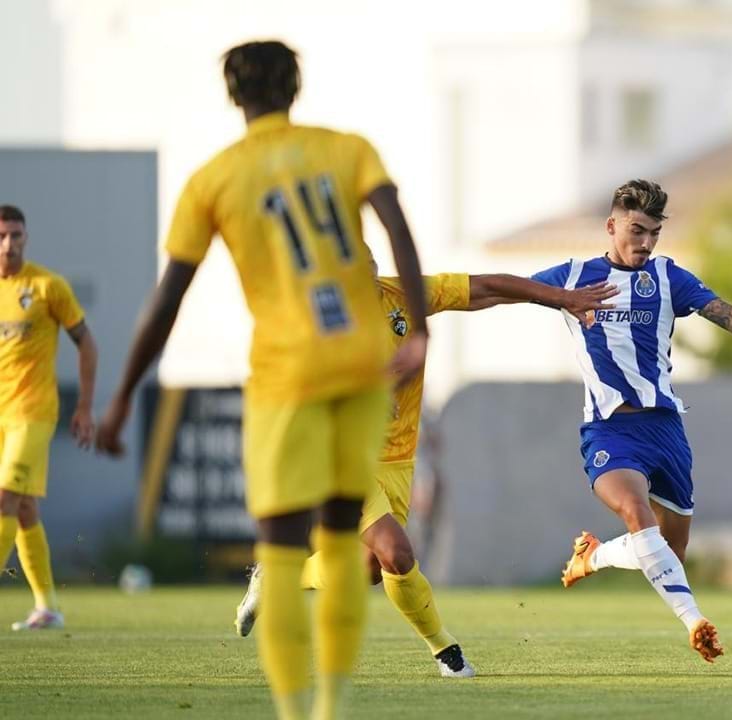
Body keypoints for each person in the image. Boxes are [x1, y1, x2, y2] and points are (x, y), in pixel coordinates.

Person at [95, 40, 430, 720]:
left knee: (280, 556)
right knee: (341, 547)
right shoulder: (347, 148)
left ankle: (291, 708)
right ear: (297, 85)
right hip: (360, 369)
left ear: (231, 94)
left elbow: (168, 299)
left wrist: (125, 393)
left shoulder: (214, 178)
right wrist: (417, 328)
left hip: (286, 376)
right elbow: (398, 228)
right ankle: (332, 705)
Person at [233, 271, 618, 679]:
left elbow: (487, 289)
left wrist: (560, 297)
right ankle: (447, 652)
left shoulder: (405, 295)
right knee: (397, 552)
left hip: (398, 460)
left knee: (367, 569)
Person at [535, 179, 732, 662]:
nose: (646, 242)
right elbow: (509, 290)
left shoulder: (667, 277)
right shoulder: (573, 276)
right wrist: (446, 296)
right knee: (637, 515)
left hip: (667, 430)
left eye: (654, 233)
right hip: (610, 430)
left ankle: (596, 556)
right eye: (637, 230)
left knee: (668, 554)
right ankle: (696, 621)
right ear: (612, 226)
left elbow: (722, 312)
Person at [0, 204, 98, 631]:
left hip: (34, 412)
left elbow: (87, 343)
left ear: (26, 238)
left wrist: (84, 407)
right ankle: (48, 607)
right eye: (2, 236)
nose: (9, 244)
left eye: (16, 235)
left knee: (4, 497)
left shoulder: (47, 286)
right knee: (23, 509)